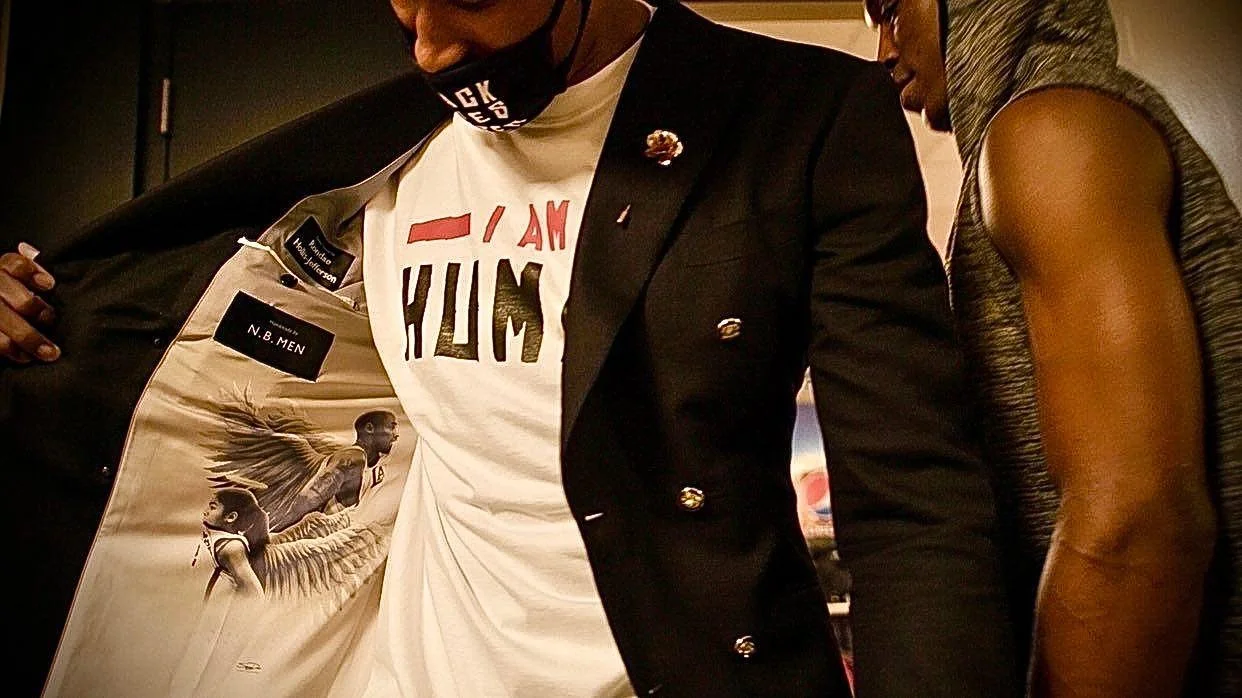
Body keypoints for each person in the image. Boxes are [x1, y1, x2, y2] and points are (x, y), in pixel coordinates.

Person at [1, 0, 1021, 695]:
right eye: (405, 5)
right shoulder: (379, 147)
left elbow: (913, 499)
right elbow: (173, 336)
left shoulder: (798, 118)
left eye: (473, 1)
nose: (432, 49)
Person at [863, 0, 1241, 695]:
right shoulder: (1053, 122)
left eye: (889, 8)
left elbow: (1138, 520)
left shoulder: (1049, 129)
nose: (884, 49)